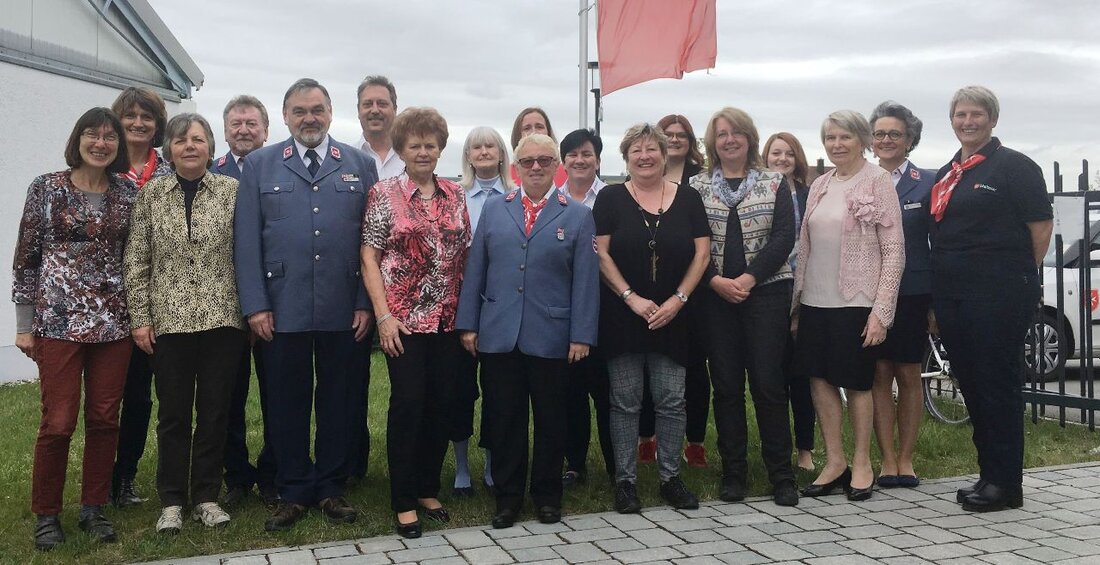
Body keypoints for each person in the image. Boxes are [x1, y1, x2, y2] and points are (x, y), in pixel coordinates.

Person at [234, 78, 379, 531]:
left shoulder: (359, 163)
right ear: (285, 116)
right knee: (284, 401)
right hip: (281, 308)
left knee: (340, 400)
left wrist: (365, 303)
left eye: (317, 109)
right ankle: (293, 486)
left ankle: (332, 486)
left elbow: (371, 241)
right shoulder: (260, 164)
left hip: (344, 308)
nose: (309, 118)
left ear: (332, 113)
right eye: (300, 111)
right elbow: (245, 242)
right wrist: (256, 306)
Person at [456, 133, 600, 529]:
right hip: (499, 333)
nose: (536, 167)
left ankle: (547, 496)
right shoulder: (495, 210)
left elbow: (585, 281)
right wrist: (468, 323)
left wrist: (581, 334)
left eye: (544, 160)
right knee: (504, 418)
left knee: (552, 419)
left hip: (551, 335)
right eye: (528, 161)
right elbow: (476, 270)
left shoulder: (577, 215)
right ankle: (507, 497)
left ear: (557, 166)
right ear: (515, 167)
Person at [14, 107, 137, 550]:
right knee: (59, 421)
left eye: (109, 137)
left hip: (113, 324)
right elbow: (26, 259)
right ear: (78, 140)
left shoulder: (128, 193)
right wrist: (25, 325)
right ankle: (47, 514)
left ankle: (93, 507)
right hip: (58, 323)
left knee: (105, 418)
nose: (101, 143)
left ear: (118, 146)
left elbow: (137, 257)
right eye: (92, 135)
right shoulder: (47, 188)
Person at [124, 113, 247, 533]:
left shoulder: (233, 191)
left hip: (222, 319)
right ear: (169, 149)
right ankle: (172, 500)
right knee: (173, 415)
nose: (190, 146)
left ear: (210, 147)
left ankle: (208, 497)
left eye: (198, 139)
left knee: (215, 412)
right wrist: (140, 319)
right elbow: (137, 261)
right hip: (170, 322)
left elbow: (246, 253)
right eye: (181, 140)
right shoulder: (152, 196)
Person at [932, 86, 1052, 512]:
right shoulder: (951, 171)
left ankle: (1007, 484)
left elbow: (1040, 228)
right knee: (974, 384)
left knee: (998, 384)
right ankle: (989, 475)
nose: (968, 121)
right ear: (952, 121)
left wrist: (1015, 276)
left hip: (998, 293)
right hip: (954, 295)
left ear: (992, 119)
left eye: (977, 114)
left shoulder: (1015, 167)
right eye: (960, 114)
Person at [361, 107, 470, 538]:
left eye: (430, 144)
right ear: (401, 149)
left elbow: (465, 253)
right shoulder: (383, 193)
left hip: (448, 319)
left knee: (442, 404)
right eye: (414, 145)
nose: (423, 151)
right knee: (408, 406)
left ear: (441, 148)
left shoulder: (455, 194)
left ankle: (428, 486)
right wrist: (383, 316)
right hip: (403, 322)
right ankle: (404, 499)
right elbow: (369, 255)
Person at [593, 124, 710, 514]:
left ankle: (670, 478)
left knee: (672, 400)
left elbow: (702, 255)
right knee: (625, 402)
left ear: (664, 154)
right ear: (626, 157)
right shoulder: (610, 198)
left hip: (674, 316)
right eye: (636, 151)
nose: (645, 156)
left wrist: (678, 299)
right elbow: (601, 255)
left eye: (652, 149)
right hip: (624, 315)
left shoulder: (689, 199)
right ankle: (625, 483)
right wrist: (631, 298)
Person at [792, 111, 904, 502]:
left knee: (857, 383)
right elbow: (805, 247)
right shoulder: (820, 184)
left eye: (844, 137)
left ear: (861, 140)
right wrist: (795, 306)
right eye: (830, 138)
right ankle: (834, 460)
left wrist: (881, 311)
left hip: (856, 301)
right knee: (819, 380)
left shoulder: (878, 181)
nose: (837, 145)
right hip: (814, 299)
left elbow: (894, 252)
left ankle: (861, 462)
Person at [689, 108, 798, 506]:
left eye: (736, 133)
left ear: (750, 138)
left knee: (769, 385)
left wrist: (749, 278)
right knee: (727, 387)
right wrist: (715, 281)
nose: (729, 139)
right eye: (721, 134)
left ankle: (781, 476)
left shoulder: (774, 183)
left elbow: (785, 236)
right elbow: (691, 241)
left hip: (765, 294)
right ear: (712, 142)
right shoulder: (697, 186)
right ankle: (733, 473)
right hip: (715, 298)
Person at [210, 95, 280, 508]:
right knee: (228, 398)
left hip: (271, 303)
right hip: (222, 307)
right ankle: (235, 475)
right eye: (236, 124)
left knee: (276, 396)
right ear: (225, 130)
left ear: (266, 130)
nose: (244, 130)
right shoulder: (210, 173)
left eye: (252, 123)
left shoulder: (279, 169)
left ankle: (273, 472)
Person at [109, 86, 172, 508]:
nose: (137, 123)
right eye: (129, 115)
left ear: (158, 123)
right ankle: (107, 478)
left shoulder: (171, 170)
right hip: (110, 304)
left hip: (163, 302)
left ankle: (128, 475)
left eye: (146, 116)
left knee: (146, 396)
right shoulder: (102, 167)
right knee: (112, 396)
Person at [867, 101, 935, 489]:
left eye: (895, 133)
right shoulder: (861, 180)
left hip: (912, 292)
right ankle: (886, 459)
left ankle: (906, 459)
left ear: (909, 139)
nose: (886, 140)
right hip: (868, 292)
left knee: (908, 373)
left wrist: (935, 303)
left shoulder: (928, 182)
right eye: (880, 134)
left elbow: (938, 243)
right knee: (878, 373)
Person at [638, 114, 711, 468]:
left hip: (692, 292)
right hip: (648, 292)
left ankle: (694, 442)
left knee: (694, 370)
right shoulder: (640, 177)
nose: (676, 140)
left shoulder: (701, 181)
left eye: (683, 135)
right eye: (669, 135)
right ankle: (646, 438)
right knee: (648, 367)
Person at [452, 126, 514, 497]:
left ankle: (492, 464)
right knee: (460, 391)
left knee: (497, 391)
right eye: (477, 146)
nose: (484, 150)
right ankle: (461, 467)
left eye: (491, 144)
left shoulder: (516, 197)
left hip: (501, 307)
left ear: (502, 153)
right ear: (469, 156)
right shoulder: (454, 197)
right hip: (459, 305)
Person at [557, 128, 615, 486]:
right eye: (573, 155)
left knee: (609, 393)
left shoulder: (613, 198)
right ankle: (575, 463)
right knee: (572, 394)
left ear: (598, 159)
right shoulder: (554, 200)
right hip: (567, 309)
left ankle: (615, 466)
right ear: (563, 162)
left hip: (609, 308)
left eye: (587, 154)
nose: (580, 160)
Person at [763, 132, 815, 472]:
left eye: (789, 154)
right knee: (773, 377)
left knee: (803, 377)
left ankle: (805, 451)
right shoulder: (760, 193)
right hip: (769, 292)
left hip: (807, 291)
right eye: (775, 153)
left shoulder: (812, 195)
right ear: (765, 157)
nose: (782, 159)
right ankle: (776, 450)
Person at [357, 75, 405, 180]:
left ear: (395, 110)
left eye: (382, 104)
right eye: (368, 104)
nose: (375, 110)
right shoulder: (344, 160)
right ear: (358, 111)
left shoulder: (412, 158)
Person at [508, 107, 568, 188]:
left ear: (548, 132)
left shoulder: (564, 172)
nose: (534, 131)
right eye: (527, 128)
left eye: (539, 127)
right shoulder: (507, 174)